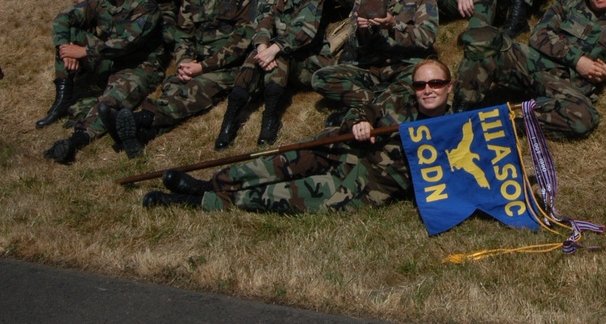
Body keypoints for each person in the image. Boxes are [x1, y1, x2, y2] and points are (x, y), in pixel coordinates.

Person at [143, 58, 454, 213]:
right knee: (271, 164)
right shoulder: (400, 100)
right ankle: (210, 183)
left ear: (449, 87)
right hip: (340, 150)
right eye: (420, 85)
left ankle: (193, 201)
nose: (428, 90)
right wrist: (357, 123)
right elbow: (364, 110)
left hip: (362, 185)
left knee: (277, 196)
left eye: (436, 84)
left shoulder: (457, 130)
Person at [110, 0, 258, 158]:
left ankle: (141, 118)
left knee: (195, 90)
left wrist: (203, 67)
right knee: (173, 86)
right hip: (197, 64)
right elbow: (184, 35)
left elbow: (241, 43)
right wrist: (184, 62)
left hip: (230, 67)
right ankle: (142, 135)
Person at [453, 0, 606, 139]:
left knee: (583, 119)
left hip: (568, 86)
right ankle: (459, 112)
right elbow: (539, 35)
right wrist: (577, 60)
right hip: (536, 66)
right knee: (486, 48)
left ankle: (517, 126)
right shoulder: (569, 5)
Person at [40, 0, 167, 163]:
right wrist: (65, 50)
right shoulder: (101, 3)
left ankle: (76, 141)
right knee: (70, 33)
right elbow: (64, 18)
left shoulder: (145, 4)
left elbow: (127, 42)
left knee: (108, 104)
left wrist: (83, 52)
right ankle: (62, 100)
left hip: (139, 66)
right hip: (109, 60)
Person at [313, 0, 438, 127]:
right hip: (371, 69)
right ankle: (383, 101)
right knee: (321, 78)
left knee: (417, 83)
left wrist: (394, 24)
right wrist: (362, 32)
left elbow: (428, 37)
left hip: (404, 66)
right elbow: (354, 43)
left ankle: (361, 109)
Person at [214, 0, 326, 149]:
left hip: (307, 59)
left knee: (279, 54)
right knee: (253, 59)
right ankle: (229, 121)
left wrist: (273, 50)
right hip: (277, 54)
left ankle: (270, 118)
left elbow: (304, 31)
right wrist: (262, 50)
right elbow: (263, 23)